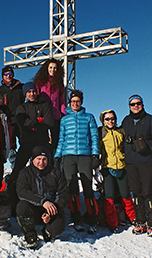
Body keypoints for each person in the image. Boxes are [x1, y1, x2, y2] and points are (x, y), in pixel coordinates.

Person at [54, 90, 99, 234]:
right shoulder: (65, 119)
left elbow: (94, 137)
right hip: (68, 156)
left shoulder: (89, 117)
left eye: (78, 101)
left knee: (88, 188)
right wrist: (57, 155)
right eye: (73, 101)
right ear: (69, 102)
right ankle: (77, 219)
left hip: (85, 156)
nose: (75, 104)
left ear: (82, 102)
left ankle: (93, 220)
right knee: (72, 189)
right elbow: (61, 139)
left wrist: (95, 155)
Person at [7, 82, 54, 213]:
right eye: (29, 92)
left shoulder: (44, 105)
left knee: (47, 170)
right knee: (17, 170)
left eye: (33, 91)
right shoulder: (22, 108)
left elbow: (49, 122)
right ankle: (11, 201)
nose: (32, 94)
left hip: (42, 143)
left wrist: (33, 122)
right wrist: (39, 120)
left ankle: (48, 202)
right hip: (27, 143)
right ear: (25, 94)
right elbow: (22, 124)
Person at [121, 95, 152, 238]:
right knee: (137, 193)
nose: (136, 106)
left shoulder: (150, 120)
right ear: (129, 106)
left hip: (147, 162)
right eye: (133, 104)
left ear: (142, 104)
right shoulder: (126, 121)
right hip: (131, 163)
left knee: (147, 193)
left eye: (138, 103)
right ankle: (140, 222)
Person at [16, 145, 68, 247]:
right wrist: (43, 201)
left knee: (59, 226)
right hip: (33, 210)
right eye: (38, 159)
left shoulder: (56, 173)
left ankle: (47, 232)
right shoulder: (25, 173)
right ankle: (30, 233)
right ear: (33, 159)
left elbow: (63, 195)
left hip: (51, 211)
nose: (41, 162)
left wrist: (51, 212)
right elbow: (22, 192)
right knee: (22, 207)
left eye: (44, 159)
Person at [98, 110, 136, 233]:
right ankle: (112, 223)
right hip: (107, 167)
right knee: (109, 196)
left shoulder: (121, 132)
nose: (110, 121)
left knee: (125, 194)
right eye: (107, 119)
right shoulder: (101, 133)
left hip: (121, 166)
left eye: (112, 118)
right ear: (103, 121)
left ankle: (132, 218)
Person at [33, 59, 66, 152]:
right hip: (44, 115)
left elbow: (61, 100)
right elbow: (36, 97)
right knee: (43, 139)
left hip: (55, 115)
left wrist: (63, 114)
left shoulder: (59, 84)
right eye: (51, 67)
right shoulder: (40, 82)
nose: (53, 70)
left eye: (55, 68)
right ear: (46, 68)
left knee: (56, 139)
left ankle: (55, 160)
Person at [0, 65, 24, 152]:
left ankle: (24, 162)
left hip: (21, 119)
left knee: (25, 141)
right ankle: (14, 164)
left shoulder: (20, 87)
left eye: (10, 73)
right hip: (8, 121)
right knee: (11, 145)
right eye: (6, 74)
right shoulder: (0, 90)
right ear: (3, 76)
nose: (8, 76)